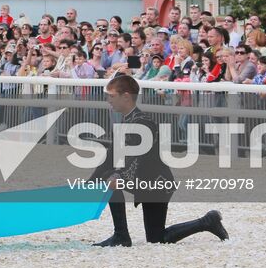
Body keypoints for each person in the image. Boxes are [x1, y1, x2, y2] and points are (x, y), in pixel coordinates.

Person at [91, 74, 227, 246]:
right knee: (157, 237)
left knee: (111, 180)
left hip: (156, 183)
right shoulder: (126, 121)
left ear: (126, 96)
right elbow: (111, 156)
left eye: (111, 96)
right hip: (147, 180)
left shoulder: (144, 123)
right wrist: (89, 183)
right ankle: (207, 221)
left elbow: (139, 158)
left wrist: (118, 176)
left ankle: (121, 236)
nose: (108, 100)